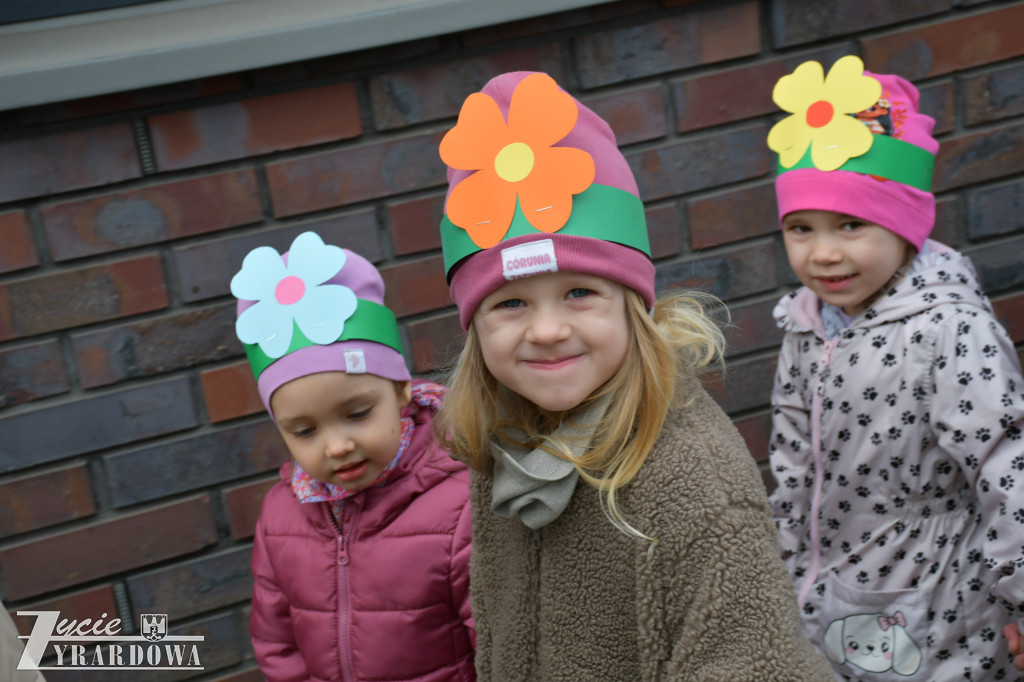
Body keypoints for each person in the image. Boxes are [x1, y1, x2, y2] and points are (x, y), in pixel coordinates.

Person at [434, 70, 832, 680]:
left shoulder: (694, 489)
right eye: (510, 303)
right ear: (475, 328)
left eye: (578, 292)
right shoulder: (506, 451)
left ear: (633, 307)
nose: (546, 329)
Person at [766, 55, 1024, 680]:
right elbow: (790, 463)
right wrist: (783, 572)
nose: (823, 253)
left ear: (905, 228)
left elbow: (1007, 465)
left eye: (851, 225)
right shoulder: (805, 324)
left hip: (943, 601)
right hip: (830, 592)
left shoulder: (947, 329)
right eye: (800, 228)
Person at [232, 232, 474, 682]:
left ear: (401, 389)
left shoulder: (460, 505)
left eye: (358, 414)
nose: (337, 445)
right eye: (304, 430)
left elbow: (499, 641)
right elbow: (276, 642)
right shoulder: (281, 515)